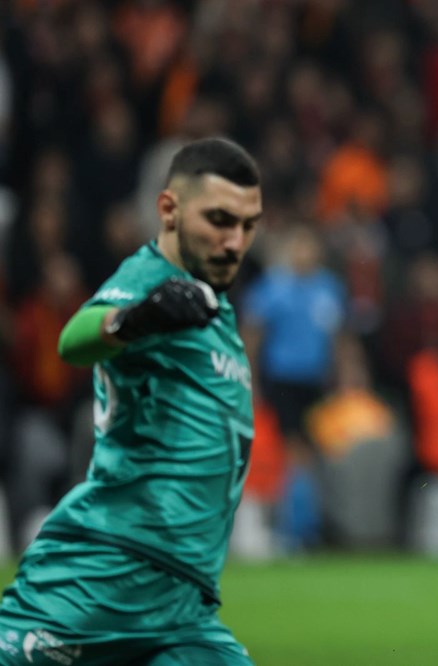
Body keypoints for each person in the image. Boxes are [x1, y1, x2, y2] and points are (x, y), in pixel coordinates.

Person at [0, 137, 263, 665]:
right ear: (168, 210)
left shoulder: (212, 307)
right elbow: (75, 339)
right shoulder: (150, 282)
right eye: (218, 220)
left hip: (182, 604)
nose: (235, 241)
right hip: (102, 576)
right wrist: (136, 319)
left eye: (247, 225)